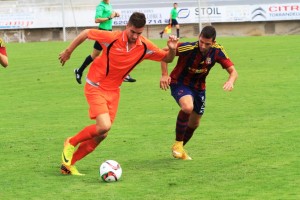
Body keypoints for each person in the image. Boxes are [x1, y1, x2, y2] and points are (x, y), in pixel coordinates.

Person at [58, 12, 178, 175]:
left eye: (139, 33)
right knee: (104, 126)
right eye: (133, 32)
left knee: (103, 134)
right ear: (127, 26)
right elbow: (86, 33)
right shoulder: (112, 38)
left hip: (114, 91)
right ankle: (70, 142)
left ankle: (69, 164)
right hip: (95, 85)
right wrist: (68, 51)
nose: (135, 36)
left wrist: (171, 50)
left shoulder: (144, 47)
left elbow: (167, 58)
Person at [160, 25, 238, 160]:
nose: (202, 45)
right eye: (201, 41)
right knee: (187, 107)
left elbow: (233, 71)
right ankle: (178, 144)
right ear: (199, 37)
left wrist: (231, 81)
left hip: (199, 88)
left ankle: (179, 148)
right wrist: (164, 74)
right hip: (179, 82)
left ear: (213, 43)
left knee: (194, 123)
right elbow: (163, 54)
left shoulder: (217, 51)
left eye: (207, 44)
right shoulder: (188, 47)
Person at [74, 0, 136, 84]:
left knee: (99, 55)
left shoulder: (108, 5)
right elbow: (97, 19)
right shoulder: (101, 6)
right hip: (102, 33)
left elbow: (109, 15)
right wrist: (110, 17)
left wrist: (115, 14)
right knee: (109, 53)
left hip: (108, 32)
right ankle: (123, 75)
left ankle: (79, 71)